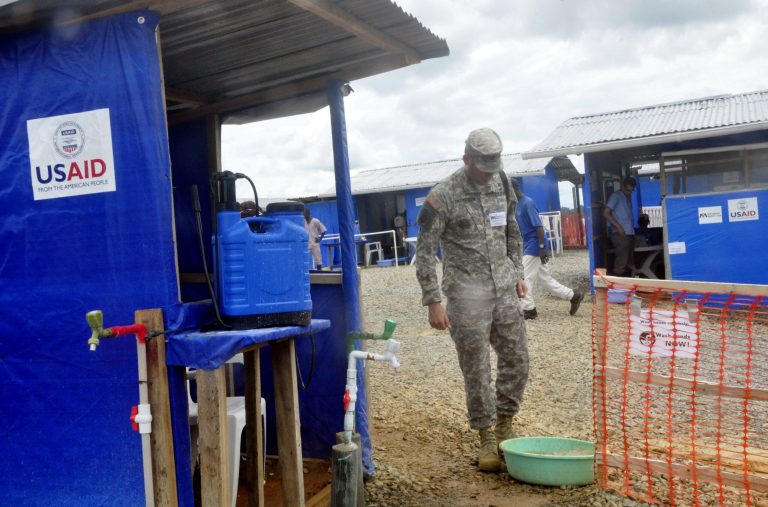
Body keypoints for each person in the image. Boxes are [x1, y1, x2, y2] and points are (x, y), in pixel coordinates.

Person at [415, 128, 528, 472]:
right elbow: (423, 251)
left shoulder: (503, 182)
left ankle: (505, 422)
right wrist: (432, 300)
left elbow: (511, 227)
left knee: (518, 359)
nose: (489, 174)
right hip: (465, 297)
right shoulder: (443, 196)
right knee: (477, 369)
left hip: (504, 289)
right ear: (466, 160)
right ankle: (486, 438)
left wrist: (518, 270)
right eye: (483, 167)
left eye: (493, 166)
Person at [510, 178, 583, 320]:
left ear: (513, 189)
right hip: (529, 245)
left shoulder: (527, 203)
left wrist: (542, 248)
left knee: (525, 277)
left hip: (535, 245)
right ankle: (573, 296)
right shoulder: (517, 205)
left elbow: (539, 227)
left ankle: (529, 309)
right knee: (546, 280)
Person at [603, 177, 636, 276]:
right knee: (621, 261)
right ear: (622, 186)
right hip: (620, 234)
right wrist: (618, 227)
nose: (629, 192)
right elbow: (605, 213)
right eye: (627, 190)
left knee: (629, 261)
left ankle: (628, 284)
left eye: (631, 191)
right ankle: (618, 287)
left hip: (629, 233)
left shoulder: (626, 197)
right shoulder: (615, 196)